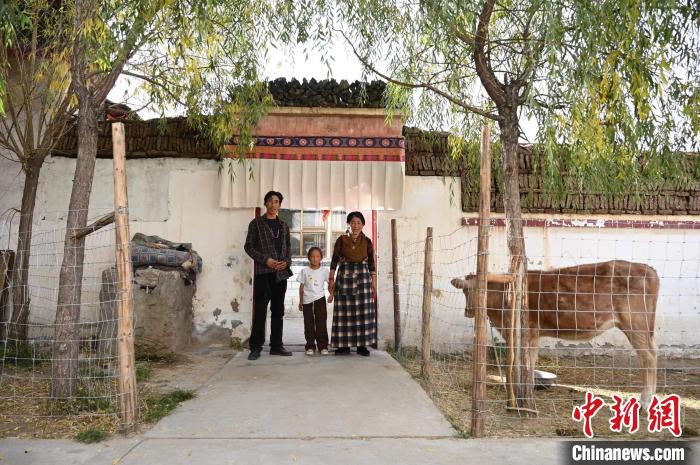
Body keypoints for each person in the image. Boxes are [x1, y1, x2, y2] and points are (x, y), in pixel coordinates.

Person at [244, 191, 293, 361]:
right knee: (260, 311)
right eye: (270, 201)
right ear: (265, 203)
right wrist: (266, 260)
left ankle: (276, 346)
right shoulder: (256, 224)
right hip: (263, 274)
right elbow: (249, 247)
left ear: (280, 205)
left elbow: (288, 248)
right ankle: (256, 347)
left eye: (276, 201)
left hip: (280, 275)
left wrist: (287, 262)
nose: (273, 204)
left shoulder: (283, 226)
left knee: (278, 311)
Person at [329, 211, 377, 356]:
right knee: (344, 313)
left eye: (358, 223)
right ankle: (344, 346)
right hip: (344, 277)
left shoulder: (367, 241)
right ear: (349, 224)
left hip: (363, 279)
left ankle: (362, 346)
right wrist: (331, 278)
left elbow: (371, 262)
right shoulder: (341, 240)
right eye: (353, 223)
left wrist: (373, 281)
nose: (356, 226)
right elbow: (334, 260)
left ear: (363, 225)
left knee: (363, 312)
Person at [297, 247, 333, 356]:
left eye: (317, 256)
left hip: (320, 299)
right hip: (307, 301)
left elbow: (331, 284)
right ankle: (310, 346)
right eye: (312, 256)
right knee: (308, 324)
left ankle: (323, 346)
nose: (315, 259)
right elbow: (301, 287)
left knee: (321, 323)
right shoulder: (304, 271)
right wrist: (301, 302)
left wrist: (331, 294)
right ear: (309, 257)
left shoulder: (324, 271)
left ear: (321, 258)